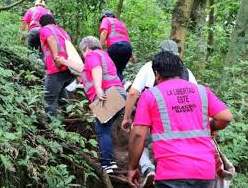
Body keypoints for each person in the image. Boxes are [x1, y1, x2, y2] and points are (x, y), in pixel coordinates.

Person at [127, 50, 232, 188]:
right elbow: (226, 117)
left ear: (157, 75)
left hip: (171, 173)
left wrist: (133, 168)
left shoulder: (150, 96)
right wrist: (211, 126)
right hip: (205, 172)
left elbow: (138, 135)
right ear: (181, 72)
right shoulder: (201, 91)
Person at [121, 40, 197, 187]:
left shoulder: (149, 67)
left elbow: (133, 93)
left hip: (151, 115)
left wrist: (126, 117)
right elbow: (197, 97)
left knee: (138, 139)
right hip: (179, 120)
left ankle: (147, 168)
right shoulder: (187, 72)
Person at [75, 36, 126, 174]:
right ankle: (111, 162)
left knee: (102, 130)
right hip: (120, 95)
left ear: (86, 48)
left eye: (82, 52)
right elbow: (83, 68)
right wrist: (64, 61)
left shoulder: (91, 54)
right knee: (106, 129)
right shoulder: (105, 55)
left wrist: (98, 88)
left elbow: (96, 68)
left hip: (107, 94)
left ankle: (106, 164)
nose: (83, 55)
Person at [39, 14, 74, 116]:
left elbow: (51, 38)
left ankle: (52, 126)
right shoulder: (63, 32)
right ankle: (68, 112)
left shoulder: (45, 29)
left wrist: (56, 57)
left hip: (57, 68)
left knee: (48, 98)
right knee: (60, 88)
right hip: (69, 68)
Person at [99, 11, 133, 81]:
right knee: (118, 71)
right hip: (127, 48)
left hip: (116, 47)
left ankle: (121, 86)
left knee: (111, 70)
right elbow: (127, 38)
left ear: (105, 16)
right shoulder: (120, 23)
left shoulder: (106, 19)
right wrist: (132, 55)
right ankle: (122, 86)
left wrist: (99, 47)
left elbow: (104, 32)